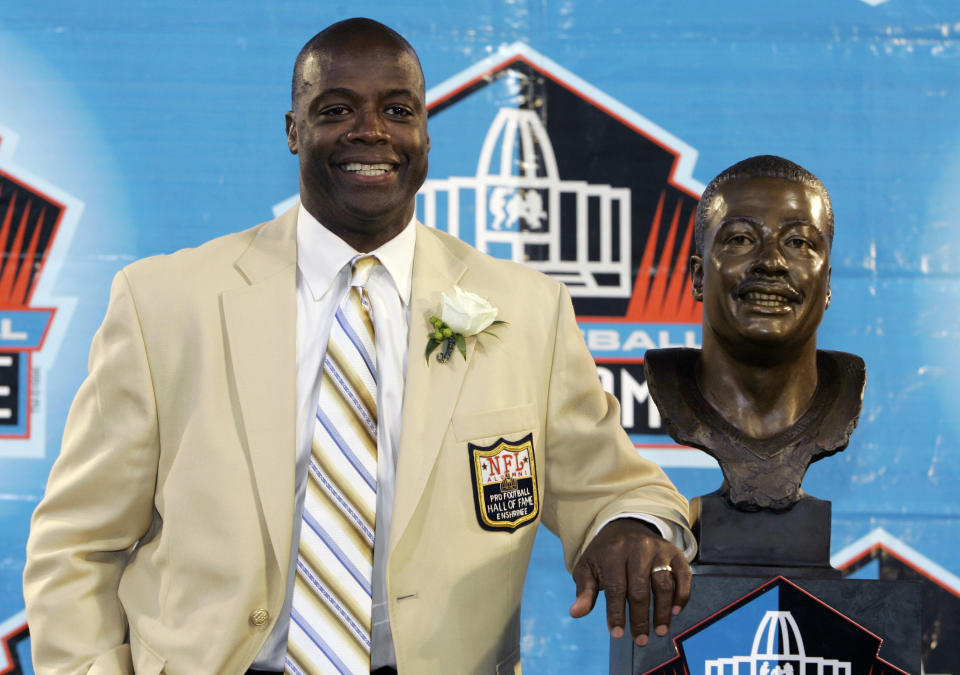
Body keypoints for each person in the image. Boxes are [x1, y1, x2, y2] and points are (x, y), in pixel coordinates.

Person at [24, 18, 694, 674]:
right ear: (293, 130)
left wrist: (630, 526)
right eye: (336, 108)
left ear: (426, 134)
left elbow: (617, 484)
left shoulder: (526, 311)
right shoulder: (165, 303)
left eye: (397, 109)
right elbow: (78, 542)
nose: (370, 130)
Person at [645, 155, 865, 512]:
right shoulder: (670, 384)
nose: (771, 262)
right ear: (698, 276)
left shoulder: (843, 393)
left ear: (827, 283)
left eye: (798, 243)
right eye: (742, 239)